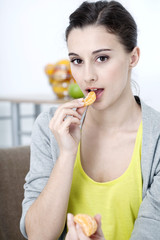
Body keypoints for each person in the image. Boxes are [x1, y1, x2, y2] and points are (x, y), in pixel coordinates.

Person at [20, 1, 160, 240]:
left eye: (102, 58)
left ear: (133, 57)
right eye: (77, 60)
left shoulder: (155, 140)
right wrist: (66, 154)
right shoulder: (50, 127)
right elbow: (38, 235)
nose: (87, 77)